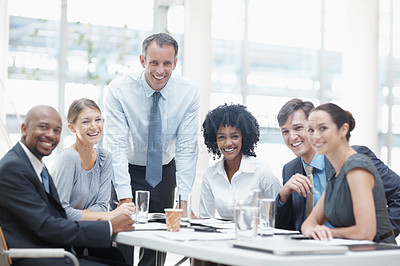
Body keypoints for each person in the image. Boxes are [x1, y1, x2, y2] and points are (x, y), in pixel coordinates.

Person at [103, 33, 199, 266]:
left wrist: (183, 199)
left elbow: (187, 148)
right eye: (154, 62)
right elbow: (115, 146)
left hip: (164, 172)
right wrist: (125, 198)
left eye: (167, 63)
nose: (160, 70)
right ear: (142, 60)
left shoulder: (188, 92)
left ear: (175, 63)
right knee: (122, 241)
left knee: (157, 246)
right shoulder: (119, 90)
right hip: (126, 167)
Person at [0, 105, 135, 266]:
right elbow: (46, 226)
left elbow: (57, 217)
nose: (50, 135)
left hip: (52, 252)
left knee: (116, 258)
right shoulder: (14, 168)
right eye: (43, 127)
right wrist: (108, 226)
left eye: (57, 131)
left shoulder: (34, 165)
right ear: (24, 129)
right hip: (33, 256)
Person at [275, 98, 400, 235]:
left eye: (298, 128)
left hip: (358, 248)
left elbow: (365, 232)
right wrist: (283, 195)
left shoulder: (354, 161)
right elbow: (295, 227)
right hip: (312, 249)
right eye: (285, 131)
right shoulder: (293, 170)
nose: (292, 137)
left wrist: (384, 232)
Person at [52, 98, 135, 263]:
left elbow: (102, 206)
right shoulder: (69, 158)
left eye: (98, 119)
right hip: (65, 242)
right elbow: (61, 213)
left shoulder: (104, 158)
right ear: (71, 128)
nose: (94, 126)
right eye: (85, 121)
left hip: (88, 236)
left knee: (117, 258)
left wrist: (85, 214)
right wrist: (110, 214)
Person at [199, 103, 281, 220]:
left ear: (244, 137)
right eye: (221, 137)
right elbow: (205, 219)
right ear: (215, 140)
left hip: (256, 235)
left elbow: (280, 211)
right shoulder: (210, 175)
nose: (228, 143)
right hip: (223, 237)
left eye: (234, 136)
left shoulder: (262, 171)